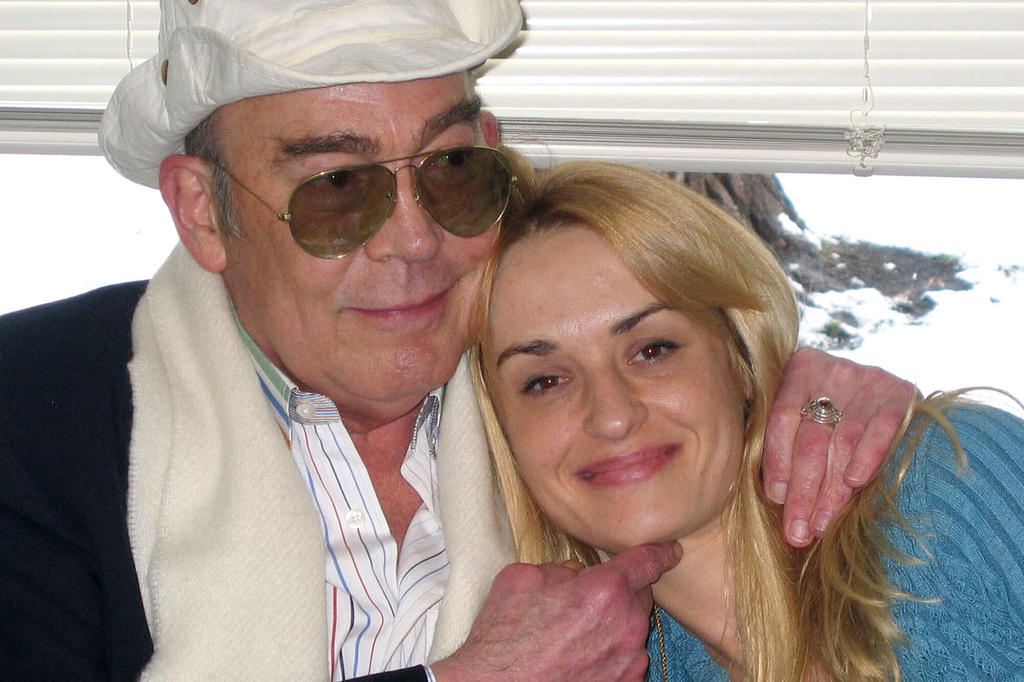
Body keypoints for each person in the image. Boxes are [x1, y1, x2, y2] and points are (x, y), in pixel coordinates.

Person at [0, 1, 916, 680]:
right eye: (336, 188)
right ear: (204, 209)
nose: (413, 240)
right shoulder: (36, 419)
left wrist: (802, 395)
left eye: (450, 171)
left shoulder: (541, 384)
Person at [473, 158, 1024, 680]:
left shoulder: (949, 490)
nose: (613, 417)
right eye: (545, 381)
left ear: (739, 363)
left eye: (652, 350)